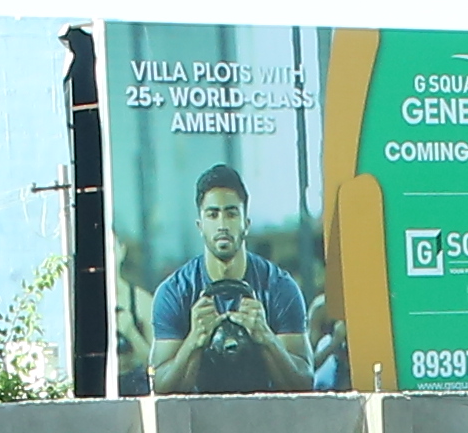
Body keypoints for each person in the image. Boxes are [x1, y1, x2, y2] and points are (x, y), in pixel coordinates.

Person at [130, 160, 326, 391]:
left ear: (246, 224)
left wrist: (265, 336)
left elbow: (303, 383)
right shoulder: (174, 292)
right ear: (200, 225)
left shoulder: (279, 288)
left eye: (231, 214)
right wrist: (195, 340)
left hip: (266, 418)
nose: (222, 225)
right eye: (213, 215)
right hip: (196, 421)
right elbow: (161, 387)